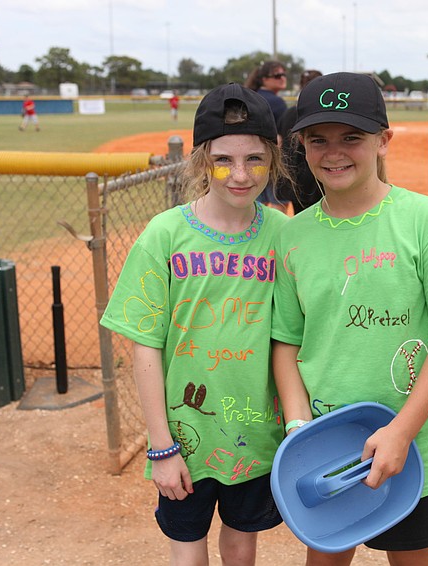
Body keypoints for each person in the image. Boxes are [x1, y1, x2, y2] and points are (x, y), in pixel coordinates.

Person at [271, 72, 428, 566]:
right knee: (325, 557)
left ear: (383, 140)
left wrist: (402, 430)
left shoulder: (426, 220)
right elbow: (285, 341)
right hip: (325, 445)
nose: (334, 152)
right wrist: (298, 425)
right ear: (300, 146)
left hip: (407, 442)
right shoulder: (292, 236)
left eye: (352, 137)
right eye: (318, 139)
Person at [100, 83, 291, 565]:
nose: (241, 174)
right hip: (184, 437)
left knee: (242, 542)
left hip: (254, 432)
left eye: (255, 159)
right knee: (187, 548)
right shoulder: (165, 235)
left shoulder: (284, 235)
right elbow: (144, 345)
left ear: (273, 158)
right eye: (224, 159)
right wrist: (161, 447)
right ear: (201, 160)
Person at [277, 69, 323, 214]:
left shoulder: (290, 112)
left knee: (300, 216)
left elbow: (279, 142)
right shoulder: (320, 114)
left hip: (291, 175)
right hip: (313, 177)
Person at [245, 61, 289, 212]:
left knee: (256, 205)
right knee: (278, 204)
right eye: (277, 75)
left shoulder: (250, 96)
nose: (282, 78)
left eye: (284, 74)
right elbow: (283, 135)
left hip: (250, 157)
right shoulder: (276, 102)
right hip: (272, 157)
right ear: (264, 79)